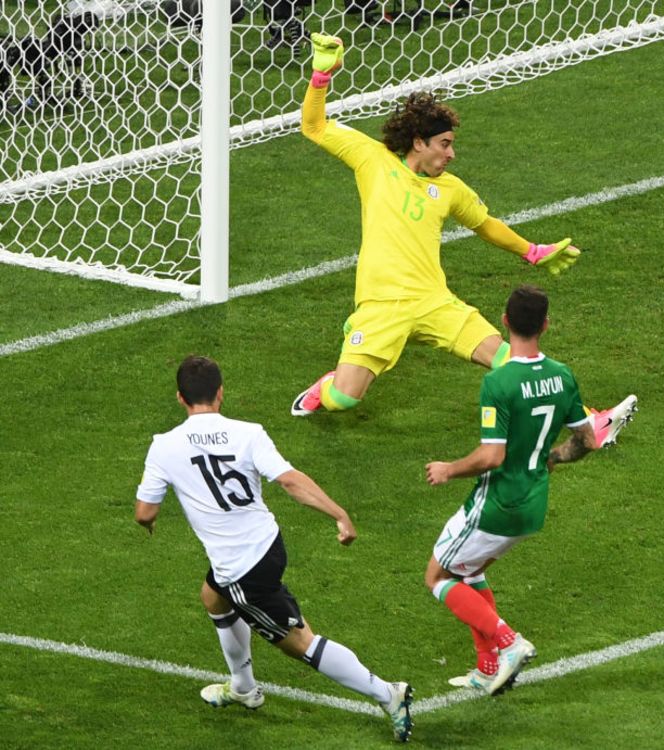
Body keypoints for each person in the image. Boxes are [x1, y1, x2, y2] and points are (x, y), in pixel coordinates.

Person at [293, 33, 636, 449]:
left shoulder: (451, 188)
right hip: (381, 307)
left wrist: (532, 251)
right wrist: (321, 76)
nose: (451, 154)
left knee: (513, 361)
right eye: (445, 144)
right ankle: (326, 385)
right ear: (419, 143)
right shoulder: (373, 160)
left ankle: (593, 421)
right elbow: (313, 126)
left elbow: (485, 224)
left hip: (435, 302)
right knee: (344, 398)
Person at [134, 355, 414, 743]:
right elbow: (290, 481)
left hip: (242, 570)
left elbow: (145, 511)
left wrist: (148, 523)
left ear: (180, 398)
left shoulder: (163, 446)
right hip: (268, 544)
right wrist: (338, 513)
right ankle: (243, 687)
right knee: (212, 598)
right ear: (220, 393)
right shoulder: (249, 432)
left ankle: (388, 693)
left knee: (300, 642)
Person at [423, 285, 612, 695]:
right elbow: (587, 440)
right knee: (469, 572)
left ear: (505, 321)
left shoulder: (500, 381)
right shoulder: (563, 376)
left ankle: (508, 642)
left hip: (497, 503)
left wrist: (448, 469)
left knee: (438, 576)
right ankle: (487, 667)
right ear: (546, 324)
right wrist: (553, 457)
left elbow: (492, 456)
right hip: (533, 504)